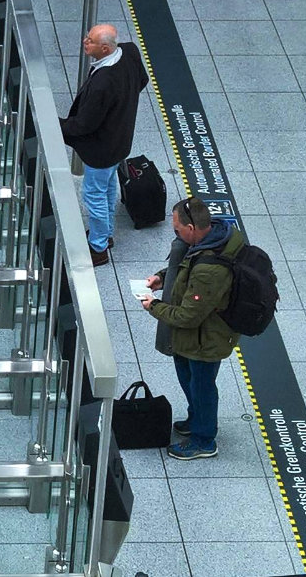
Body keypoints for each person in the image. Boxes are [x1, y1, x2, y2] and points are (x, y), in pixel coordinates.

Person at [140, 198, 244, 461]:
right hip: (194, 337)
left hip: (205, 339)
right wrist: (162, 277)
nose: (175, 234)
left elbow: (188, 316)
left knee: (202, 386)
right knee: (190, 379)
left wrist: (154, 306)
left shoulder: (210, 269)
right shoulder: (206, 241)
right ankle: (197, 419)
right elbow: (187, 267)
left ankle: (204, 439)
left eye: (177, 229)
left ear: (193, 228)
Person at [60, 24, 148, 267]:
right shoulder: (129, 52)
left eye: (90, 41)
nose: (84, 42)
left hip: (102, 150)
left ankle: (98, 247)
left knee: (93, 194)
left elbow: (84, 125)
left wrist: (55, 124)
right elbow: (142, 79)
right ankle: (105, 233)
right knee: (108, 186)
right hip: (120, 141)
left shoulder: (103, 84)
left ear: (106, 48)